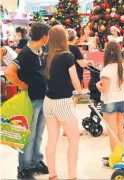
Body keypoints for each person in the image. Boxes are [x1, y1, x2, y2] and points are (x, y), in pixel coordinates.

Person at [5, 22, 50, 179]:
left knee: (38, 134)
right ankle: (24, 167)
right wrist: (21, 84)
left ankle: (35, 161)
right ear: (44, 37)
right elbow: (9, 71)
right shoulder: (25, 53)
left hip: (41, 98)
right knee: (28, 135)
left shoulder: (39, 51)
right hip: (31, 100)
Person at [43, 25, 86, 180]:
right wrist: (81, 93)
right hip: (63, 102)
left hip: (48, 101)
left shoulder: (46, 55)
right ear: (63, 38)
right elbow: (75, 80)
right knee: (74, 140)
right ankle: (72, 176)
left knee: (52, 140)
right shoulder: (67, 56)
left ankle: (52, 174)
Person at [97, 41, 124, 168]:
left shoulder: (106, 69)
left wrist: (96, 86)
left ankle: (114, 158)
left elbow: (104, 90)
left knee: (112, 131)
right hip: (123, 99)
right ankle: (120, 154)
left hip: (109, 100)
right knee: (120, 128)